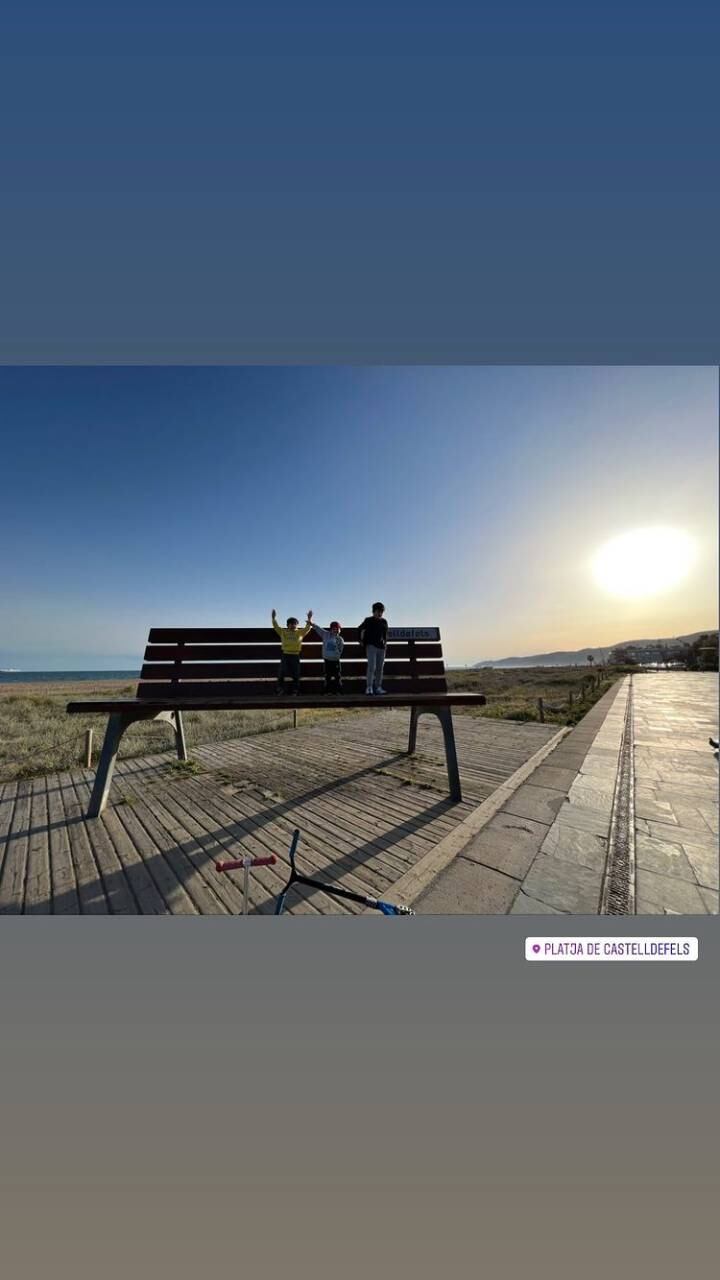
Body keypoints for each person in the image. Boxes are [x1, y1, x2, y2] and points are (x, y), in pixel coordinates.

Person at [271, 608, 313, 695]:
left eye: (295, 624)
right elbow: (276, 627)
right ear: (287, 625)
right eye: (291, 624)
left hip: (295, 655)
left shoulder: (300, 632)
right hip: (285, 655)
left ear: (297, 625)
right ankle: (280, 689)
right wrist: (273, 618)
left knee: (296, 674)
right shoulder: (283, 632)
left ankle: (295, 690)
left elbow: (308, 628)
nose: (293, 625)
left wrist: (309, 618)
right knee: (281, 672)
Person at [358, 602, 388, 695]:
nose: (380, 613)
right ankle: (369, 687)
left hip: (381, 648)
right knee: (372, 667)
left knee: (380, 668)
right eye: (378, 611)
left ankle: (378, 687)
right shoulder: (368, 620)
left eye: (381, 612)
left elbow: (385, 635)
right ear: (373, 611)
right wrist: (361, 640)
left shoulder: (384, 622)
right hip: (371, 646)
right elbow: (359, 629)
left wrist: (385, 644)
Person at [312, 619, 345, 693]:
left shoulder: (340, 639)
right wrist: (311, 623)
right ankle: (327, 691)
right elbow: (318, 629)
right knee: (327, 676)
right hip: (327, 660)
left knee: (337, 676)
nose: (335, 630)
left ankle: (339, 691)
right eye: (333, 629)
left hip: (336, 660)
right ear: (331, 629)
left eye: (337, 629)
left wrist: (336, 655)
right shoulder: (325, 635)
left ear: (339, 630)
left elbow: (340, 650)